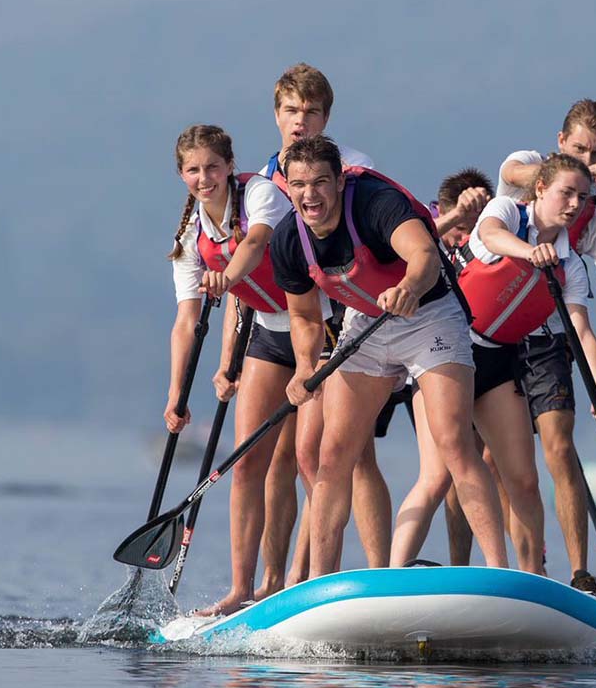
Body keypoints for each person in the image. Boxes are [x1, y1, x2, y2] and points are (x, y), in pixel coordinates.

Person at [269, 135, 509, 577]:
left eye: (321, 182)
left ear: (340, 181)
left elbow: (424, 256)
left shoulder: (377, 202)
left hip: (429, 314)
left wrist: (409, 288)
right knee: (333, 454)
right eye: (299, 184)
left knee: (454, 442)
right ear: (287, 185)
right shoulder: (287, 239)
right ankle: (323, 587)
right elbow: (304, 317)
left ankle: (499, 572)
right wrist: (305, 368)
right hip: (365, 323)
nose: (310, 194)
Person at [241, 63, 394, 592]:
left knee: (348, 453)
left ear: (326, 117)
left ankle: (378, 573)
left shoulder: (352, 167)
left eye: (311, 111)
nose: (300, 120)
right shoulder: (263, 179)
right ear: (276, 115)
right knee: (290, 456)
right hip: (284, 321)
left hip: (343, 321)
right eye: (291, 111)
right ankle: (278, 582)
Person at [165, 124, 326, 616]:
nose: (204, 178)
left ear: (230, 166)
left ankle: (310, 580)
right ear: (182, 175)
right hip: (267, 334)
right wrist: (176, 396)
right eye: (193, 170)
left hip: (320, 325)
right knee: (245, 466)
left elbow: (257, 243)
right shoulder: (191, 238)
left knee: (310, 461)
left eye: (213, 167)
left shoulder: (259, 193)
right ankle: (241, 591)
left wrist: (227, 277)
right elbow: (186, 322)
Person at [470, 152, 596, 598]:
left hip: (536, 348)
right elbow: (489, 235)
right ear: (540, 189)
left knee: (541, 461)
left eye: (581, 197)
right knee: (458, 466)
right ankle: (455, 567)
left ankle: (557, 576)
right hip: (470, 347)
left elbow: (581, 329)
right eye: (565, 194)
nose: (573, 204)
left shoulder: (571, 264)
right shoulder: (507, 210)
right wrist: (529, 251)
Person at [388, 167, 547, 574]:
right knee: (439, 475)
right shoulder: (420, 234)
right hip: (435, 362)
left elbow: (518, 176)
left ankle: (524, 577)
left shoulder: (497, 233)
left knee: (510, 474)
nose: (465, 239)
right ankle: (399, 574)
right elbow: (411, 252)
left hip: (492, 361)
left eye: (472, 227)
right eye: (461, 229)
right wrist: (454, 217)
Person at [496, 100, 596, 363]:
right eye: (579, 149)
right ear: (561, 140)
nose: (587, 161)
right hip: (488, 306)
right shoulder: (529, 161)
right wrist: (577, 175)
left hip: (542, 329)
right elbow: (511, 174)